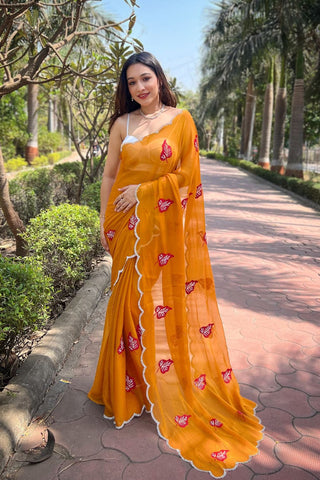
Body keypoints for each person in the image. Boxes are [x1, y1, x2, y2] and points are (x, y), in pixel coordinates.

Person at [88, 51, 263, 477]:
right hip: (125, 228)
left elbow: (187, 177)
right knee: (125, 306)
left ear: (159, 79)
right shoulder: (122, 125)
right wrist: (103, 217)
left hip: (161, 229)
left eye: (145, 78)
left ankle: (162, 388)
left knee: (157, 306)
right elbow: (110, 175)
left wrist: (147, 192)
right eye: (131, 83)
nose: (139, 88)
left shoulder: (181, 120)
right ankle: (129, 391)